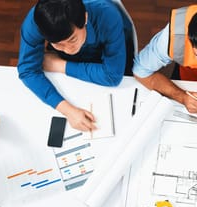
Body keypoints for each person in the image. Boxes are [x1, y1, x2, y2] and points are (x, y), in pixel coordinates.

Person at [18, 0, 133, 131]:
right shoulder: (37, 21)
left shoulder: (107, 14)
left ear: (85, 18)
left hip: (107, 57)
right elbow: (27, 71)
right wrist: (69, 111)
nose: (68, 49)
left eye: (72, 40)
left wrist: (59, 65)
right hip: (82, 75)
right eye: (58, 44)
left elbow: (112, 76)